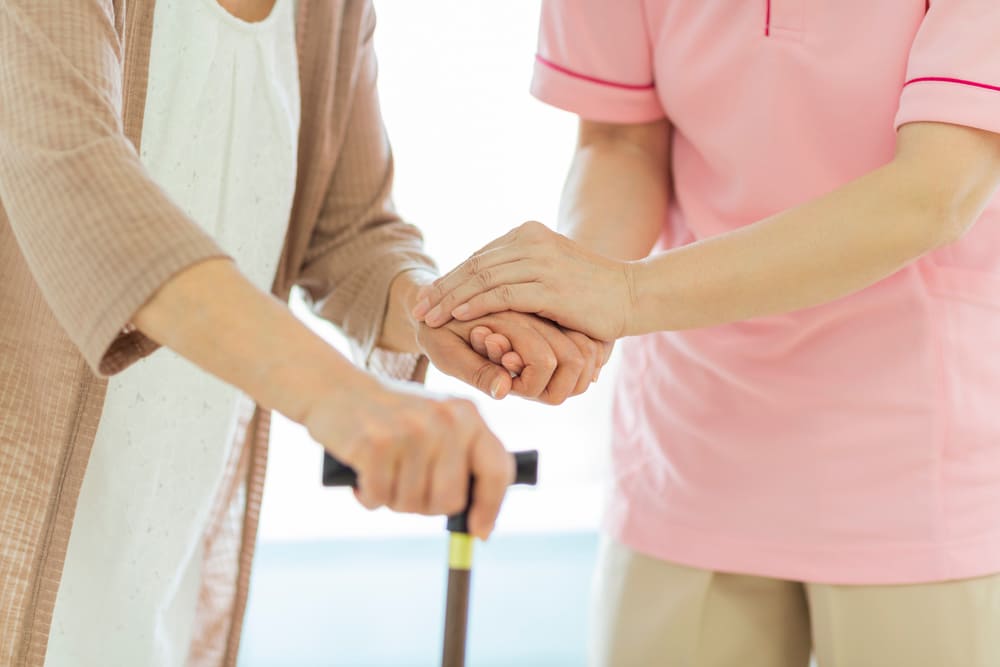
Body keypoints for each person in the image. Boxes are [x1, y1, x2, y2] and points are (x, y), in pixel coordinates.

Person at [0, 1, 607, 665]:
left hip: (155, 549)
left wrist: (443, 311)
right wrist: (345, 399)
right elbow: (79, 180)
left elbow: (349, 229)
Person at [415, 1, 1000, 665]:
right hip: (689, 452)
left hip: (919, 472)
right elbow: (621, 141)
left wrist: (624, 294)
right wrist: (564, 304)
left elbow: (934, 193)